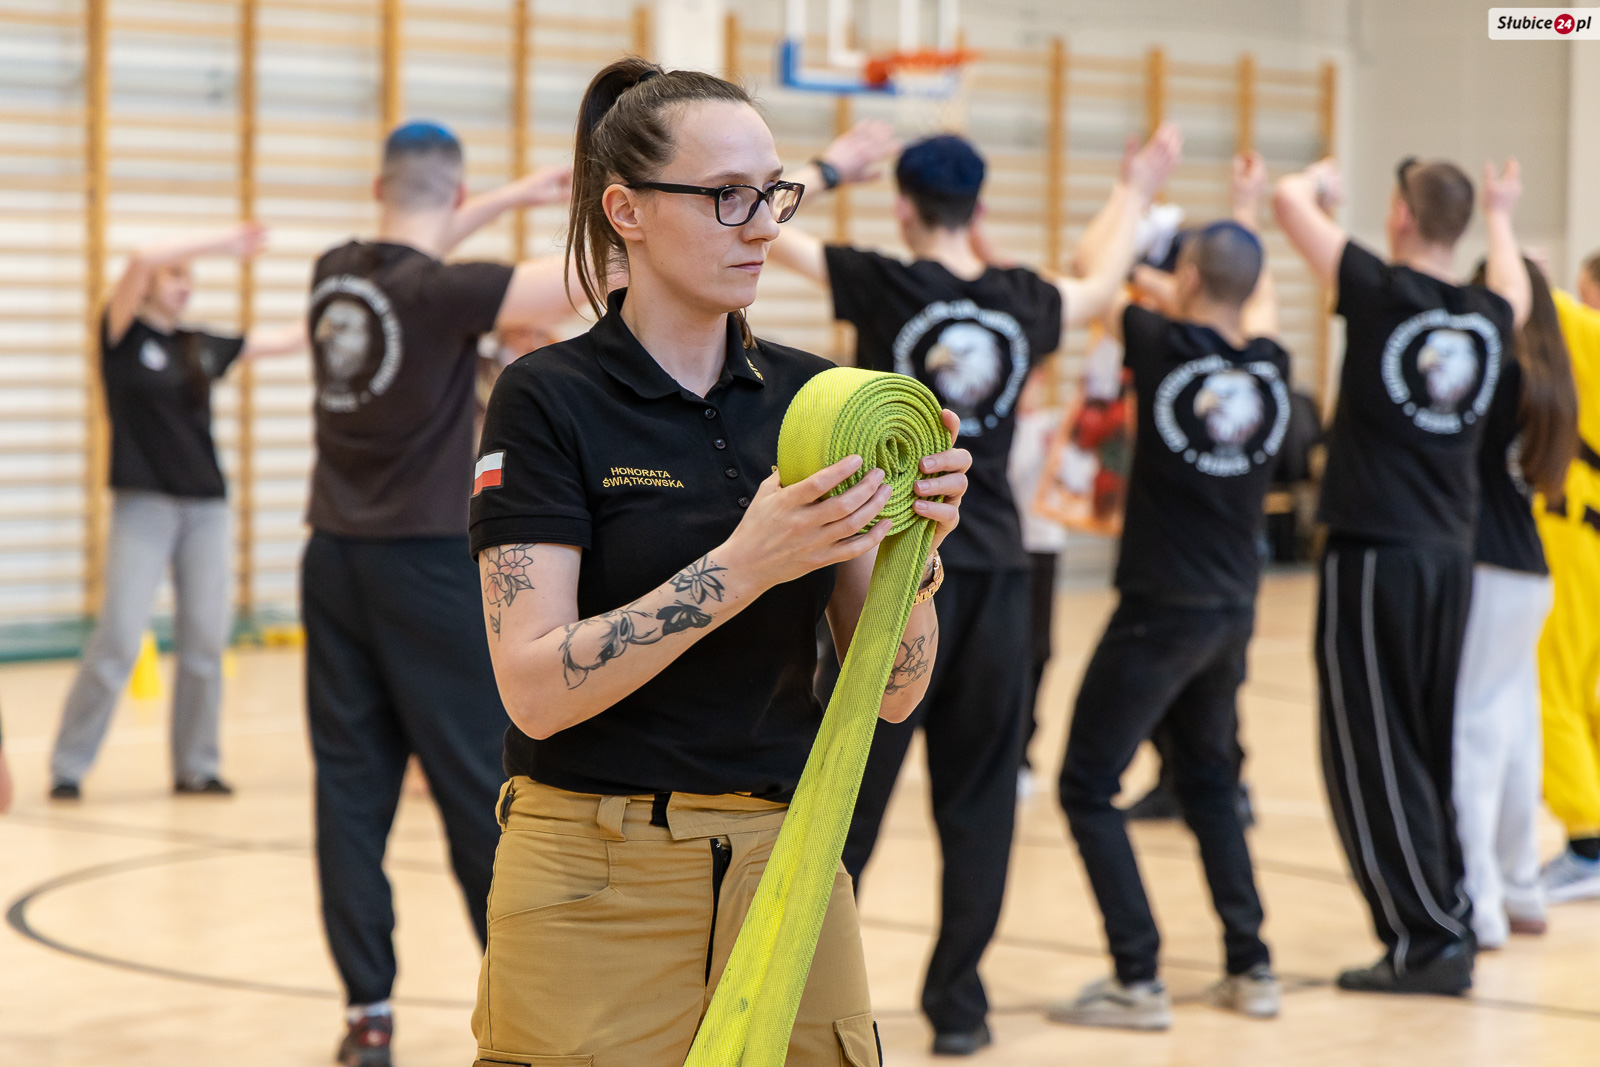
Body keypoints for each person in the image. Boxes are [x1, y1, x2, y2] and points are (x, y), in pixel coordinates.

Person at [466, 58, 971, 1067]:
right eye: (727, 196)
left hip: (788, 856)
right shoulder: (546, 398)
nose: (764, 227)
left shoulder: (819, 397)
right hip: (593, 868)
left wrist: (909, 555)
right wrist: (744, 564)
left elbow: (895, 692)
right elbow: (533, 690)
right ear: (627, 210)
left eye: (774, 193)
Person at [768, 120, 1182, 1055]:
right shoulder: (1021, 297)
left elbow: (760, 221)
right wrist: (1134, 190)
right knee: (981, 798)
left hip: (891, 572)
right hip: (996, 571)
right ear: (980, 206)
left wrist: (829, 169)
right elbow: (1100, 288)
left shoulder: (881, 279)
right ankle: (960, 1006)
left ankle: (804, 986)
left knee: (849, 792)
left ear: (904, 207)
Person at [301, 121, 574, 1066]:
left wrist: (510, 196)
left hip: (332, 559)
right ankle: (527, 995)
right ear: (456, 198)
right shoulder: (447, 293)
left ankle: (368, 1013)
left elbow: (422, 234)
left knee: (349, 791)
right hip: (422, 564)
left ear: (380, 185)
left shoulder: (336, 274)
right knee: (472, 785)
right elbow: (580, 280)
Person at [1273, 154, 1531, 995]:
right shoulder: (1488, 313)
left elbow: (1285, 200)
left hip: (1374, 552)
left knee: (1371, 748)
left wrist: (1320, 184)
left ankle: (1427, 940)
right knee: (1421, 743)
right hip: (1450, 557)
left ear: (1401, 218)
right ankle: (1446, 915)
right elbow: (1514, 286)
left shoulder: (1381, 289)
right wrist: (1502, 213)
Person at [1048, 153, 1287, 1031]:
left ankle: (1138, 975)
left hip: (1161, 607)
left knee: (1086, 783)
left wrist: (1137, 191)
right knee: (1212, 784)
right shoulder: (1270, 359)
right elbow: (1246, 287)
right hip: (1233, 608)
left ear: (1184, 278)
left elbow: (1090, 269)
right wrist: (1246, 208)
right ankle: (1250, 965)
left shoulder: (1160, 341)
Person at [47, 223, 305, 801]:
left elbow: (284, 340)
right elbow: (141, 257)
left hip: (206, 508)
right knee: (118, 638)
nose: (184, 284)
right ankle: (69, 765)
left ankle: (196, 766)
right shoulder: (120, 335)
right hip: (143, 505)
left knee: (206, 642)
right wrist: (220, 243)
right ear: (148, 286)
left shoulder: (199, 345)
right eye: (175, 275)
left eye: (190, 277)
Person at [1453, 256, 1577, 946]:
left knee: (1470, 735)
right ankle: (1519, 882)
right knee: (1516, 732)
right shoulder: (1554, 380)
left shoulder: (1501, 377)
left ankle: (1479, 900)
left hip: (1489, 570)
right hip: (1529, 571)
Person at [1534, 249, 1600, 903]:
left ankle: (1587, 842)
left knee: (1550, 687)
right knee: (1587, 695)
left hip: (1581, 541)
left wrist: (1521, 254)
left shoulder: (1594, 337)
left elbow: (1534, 297)